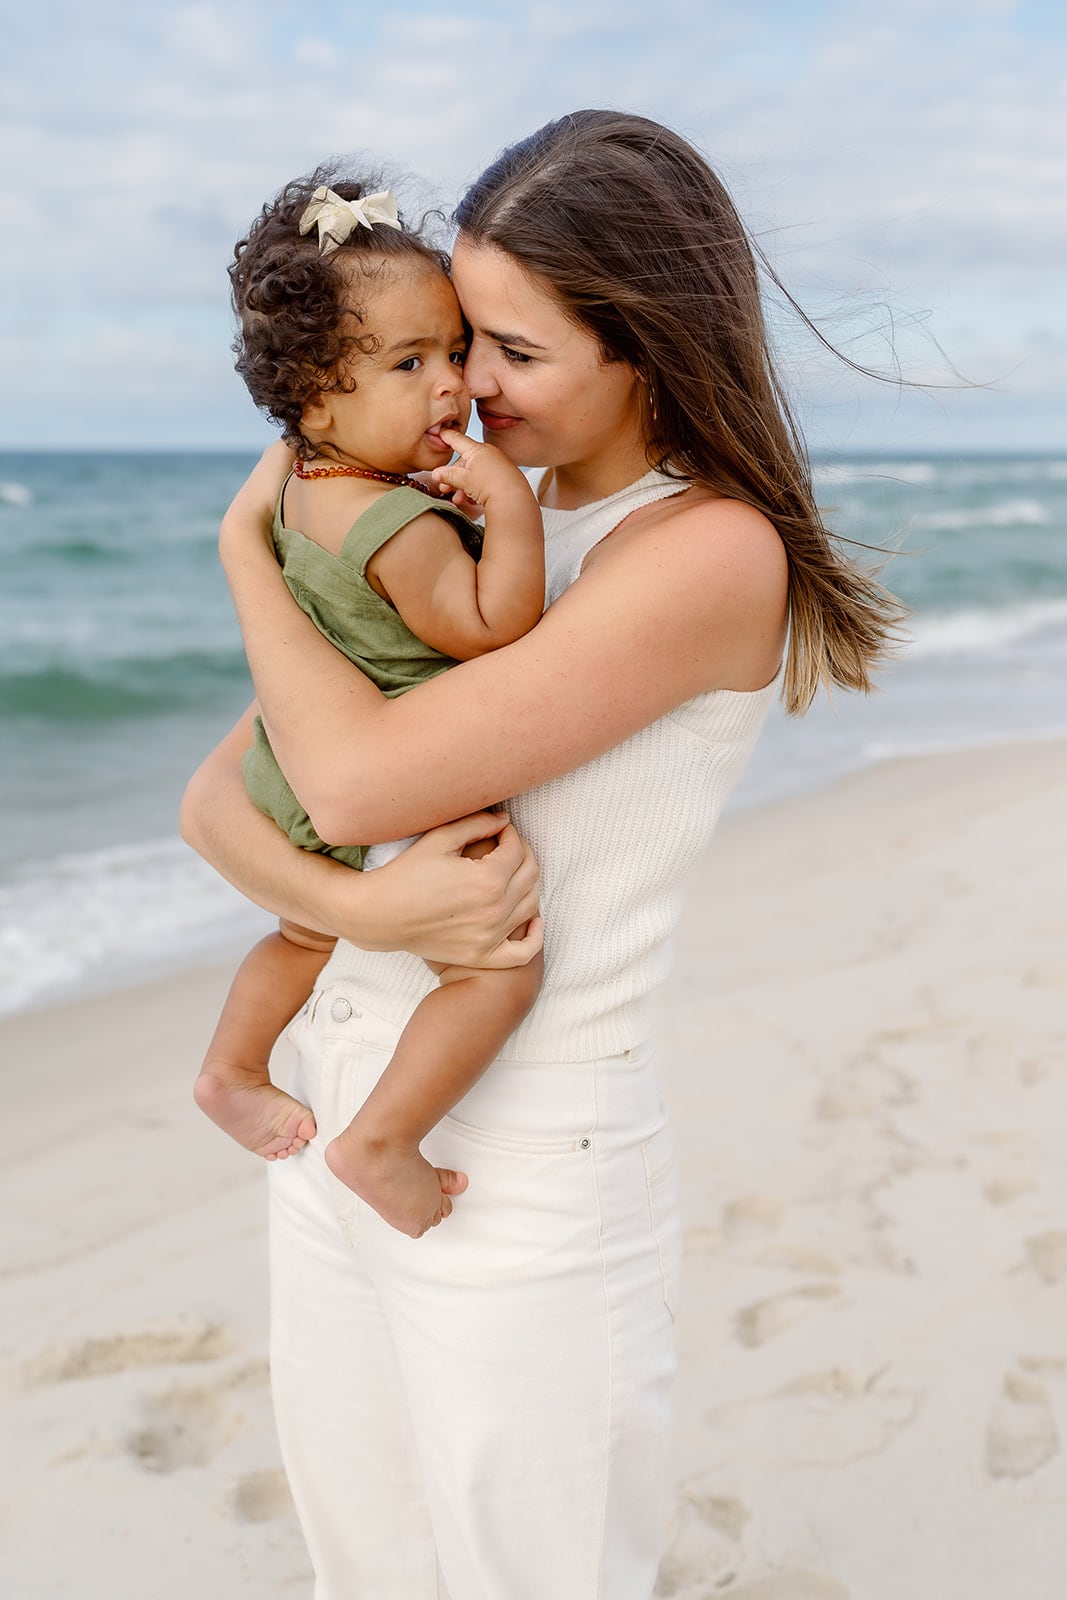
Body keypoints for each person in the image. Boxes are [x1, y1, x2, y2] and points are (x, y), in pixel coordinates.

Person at [182, 111, 904, 1600]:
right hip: (337, 1117)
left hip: (522, 1169)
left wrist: (245, 557)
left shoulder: (700, 553)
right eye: (450, 339)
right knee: (364, 1571)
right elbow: (218, 807)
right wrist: (353, 908)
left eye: (506, 350)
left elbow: (344, 767)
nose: (462, 385)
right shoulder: (436, 514)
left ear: (639, 345)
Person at [193, 170, 546, 1240]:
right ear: (316, 397)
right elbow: (488, 629)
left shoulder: (311, 487)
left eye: (452, 353)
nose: (451, 385)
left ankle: (231, 1067)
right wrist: (511, 509)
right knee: (497, 970)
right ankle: (384, 1137)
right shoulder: (398, 523)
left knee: (301, 934)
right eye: (408, 364)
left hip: (291, 769)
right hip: (396, 774)